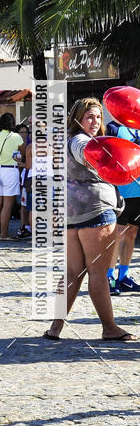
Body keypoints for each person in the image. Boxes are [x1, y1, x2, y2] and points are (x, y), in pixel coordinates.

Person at [45, 97, 135, 342]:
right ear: (78, 118)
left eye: (98, 116)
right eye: (89, 117)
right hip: (95, 209)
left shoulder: (66, 140)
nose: (95, 121)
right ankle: (109, 327)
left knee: (73, 272)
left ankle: (55, 327)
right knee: (98, 272)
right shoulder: (81, 141)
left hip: (71, 211)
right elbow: (85, 152)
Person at [107, 122, 140, 295]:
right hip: (121, 189)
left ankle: (124, 277)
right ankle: (109, 277)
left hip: (138, 190)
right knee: (117, 233)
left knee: (132, 232)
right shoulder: (113, 128)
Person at [0, 113, 22, 240]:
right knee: (7, 205)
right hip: (10, 171)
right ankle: (4, 234)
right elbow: (21, 151)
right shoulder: (16, 136)